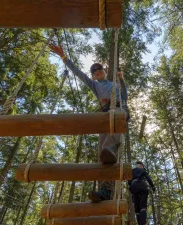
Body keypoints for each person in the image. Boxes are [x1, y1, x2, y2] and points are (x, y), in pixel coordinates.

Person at [49, 44, 129, 202]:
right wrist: (64, 58)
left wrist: (121, 80)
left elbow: (125, 97)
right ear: (93, 76)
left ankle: (110, 149)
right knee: (103, 156)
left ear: (105, 72)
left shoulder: (114, 85)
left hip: (118, 111)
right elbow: (79, 74)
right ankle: (105, 192)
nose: (97, 72)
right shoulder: (95, 85)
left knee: (109, 144)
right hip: (105, 115)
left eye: (100, 70)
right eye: (95, 72)